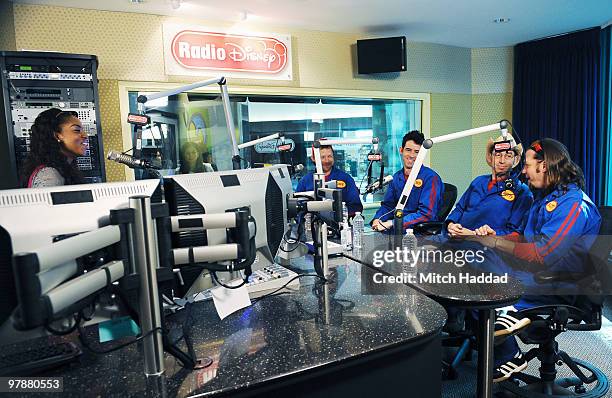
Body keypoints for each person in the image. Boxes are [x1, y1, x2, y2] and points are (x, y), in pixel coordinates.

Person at [470, 138, 601, 382]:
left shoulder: (574, 205)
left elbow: (542, 254)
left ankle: (507, 352)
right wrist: (493, 238)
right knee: (477, 264)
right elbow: (523, 237)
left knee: (485, 290)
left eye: (527, 165)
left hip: (561, 283)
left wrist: (497, 243)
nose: (523, 171)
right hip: (536, 273)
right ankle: (506, 330)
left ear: (544, 165)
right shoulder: (544, 199)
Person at [445, 135, 533, 238]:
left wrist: (475, 235)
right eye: (498, 155)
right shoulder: (478, 181)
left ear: (516, 160)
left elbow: (515, 233)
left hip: (486, 248)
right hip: (454, 239)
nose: (502, 161)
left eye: (508, 156)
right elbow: (459, 209)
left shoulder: (522, 191)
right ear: (490, 157)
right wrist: (450, 224)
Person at [371, 130, 443, 233]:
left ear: (423, 154)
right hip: (396, 232)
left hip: (420, 234)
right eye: (408, 150)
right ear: (401, 150)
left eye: (417, 152)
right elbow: (388, 205)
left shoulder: (430, 178)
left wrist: (392, 223)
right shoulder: (396, 178)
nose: (412, 155)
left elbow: (426, 214)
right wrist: (378, 219)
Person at [21, 108, 86, 188]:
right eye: (77, 130)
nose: (85, 135)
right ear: (57, 135)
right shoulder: (49, 176)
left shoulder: (60, 169)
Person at [296, 141, 363, 215]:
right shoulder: (305, 181)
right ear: (313, 158)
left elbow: (356, 206)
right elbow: (297, 206)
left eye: (329, 156)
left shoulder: (345, 178)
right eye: (323, 157)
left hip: (339, 223)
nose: (327, 160)